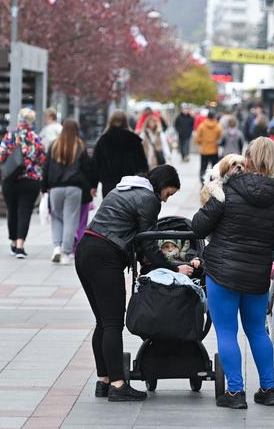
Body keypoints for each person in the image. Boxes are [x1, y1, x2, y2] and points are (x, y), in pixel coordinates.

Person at [75, 165, 193, 402]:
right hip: (105, 256)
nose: (166, 200)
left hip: (86, 250)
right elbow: (147, 243)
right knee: (112, 322)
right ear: (161, 185)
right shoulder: (149, 199)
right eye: (168, 194)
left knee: (102, 321)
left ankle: (104, 380)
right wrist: (174, 268)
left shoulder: (123, 188)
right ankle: (118, 385)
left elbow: (136, 238)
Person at [192, 137, 274, 409]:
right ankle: (268, 390)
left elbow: (198, 227)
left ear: (247, 158)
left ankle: (235, 393)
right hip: (257, 273)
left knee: (226, 332)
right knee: (257, 331)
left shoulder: (226, 192)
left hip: (222, 272)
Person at [41, 119, 93, 265]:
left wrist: (43, 187)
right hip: (74, 188)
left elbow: (46, 168)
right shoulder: (80, 145)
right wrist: (90, 186)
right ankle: (66, 252)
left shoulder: (54, 145)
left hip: (55, 188)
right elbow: (87, 169)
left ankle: (57, 247)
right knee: (71, 220)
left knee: (56, 218)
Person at [0, 108, 46, 258]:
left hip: (11, 180)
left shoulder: (10, 136)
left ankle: (13, 241)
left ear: (19, 120)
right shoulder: (37, 138)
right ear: (32, 121)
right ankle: (20, 245)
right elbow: (43, 160)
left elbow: (0, 157)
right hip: (30, 180)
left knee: (12, 211)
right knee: (24, 211)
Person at [92, 110, 148, 198]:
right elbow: (142, 164)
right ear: (126, 122)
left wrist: (93, 185)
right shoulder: (134, 140)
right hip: (130, 183)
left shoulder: (104, 140)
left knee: (110, 210)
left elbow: (96, 163)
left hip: (109, 183)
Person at [194, 110, 222, 183]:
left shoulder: (202, 126)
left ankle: (202, 181)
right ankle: (214, 181)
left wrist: (202, 143)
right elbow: (220, 137)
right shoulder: (218, 126)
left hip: (204, 150)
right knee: (214, 168)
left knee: (203, 168)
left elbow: (197, 138)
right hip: (214, 150)